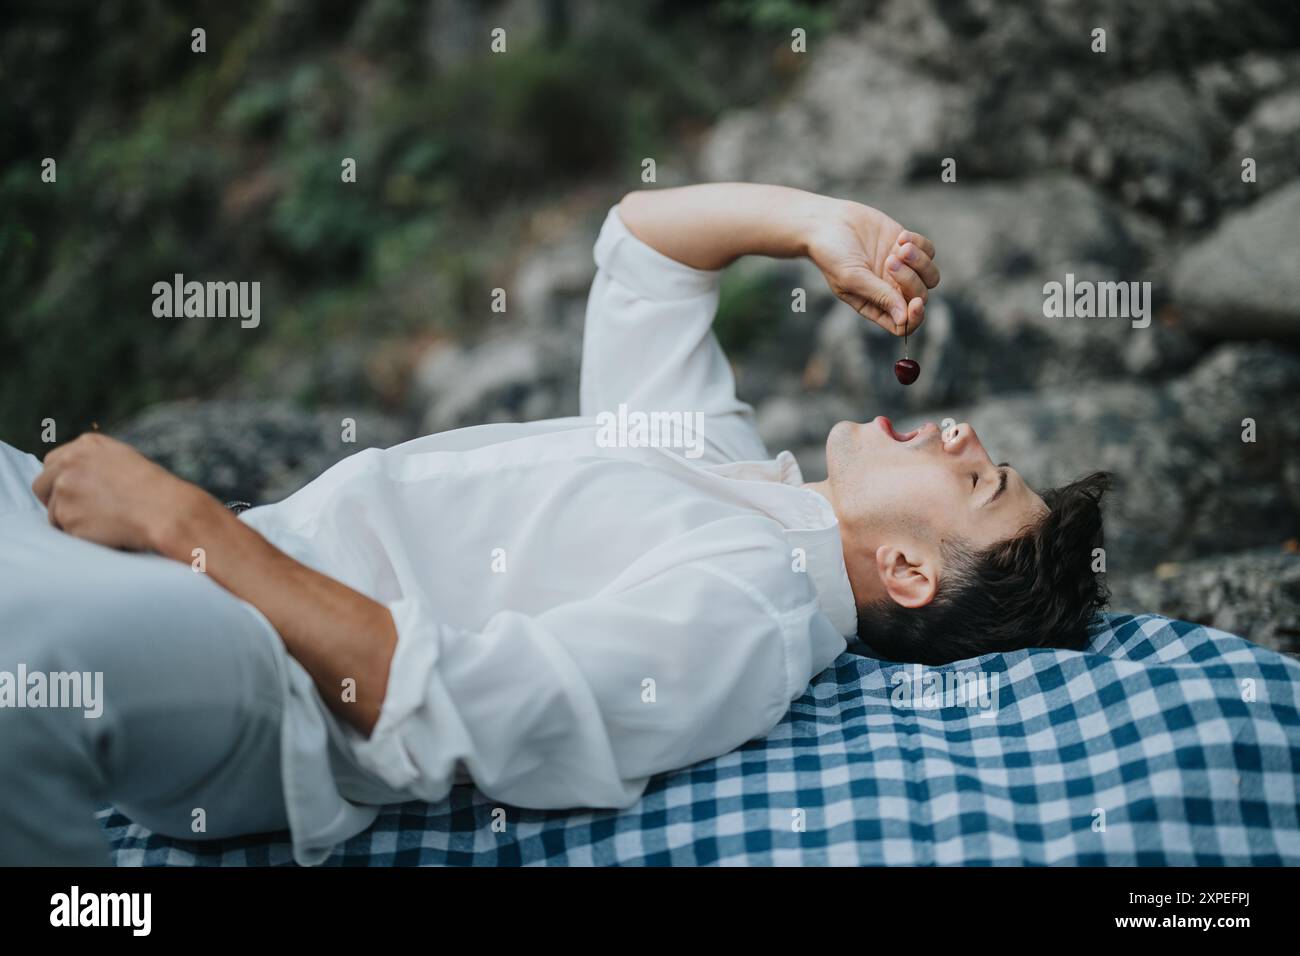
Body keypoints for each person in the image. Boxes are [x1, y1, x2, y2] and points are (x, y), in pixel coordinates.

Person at [0, 183, 1108, 865]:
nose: (961, 431)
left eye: (979, 480)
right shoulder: (729, 468)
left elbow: (433, 701)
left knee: (25, 660)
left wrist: (185, 520)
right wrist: (819, 222)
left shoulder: (747, 613)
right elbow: (648, 249)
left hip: (262, 682)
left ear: (908, 572)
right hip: (208, 566)